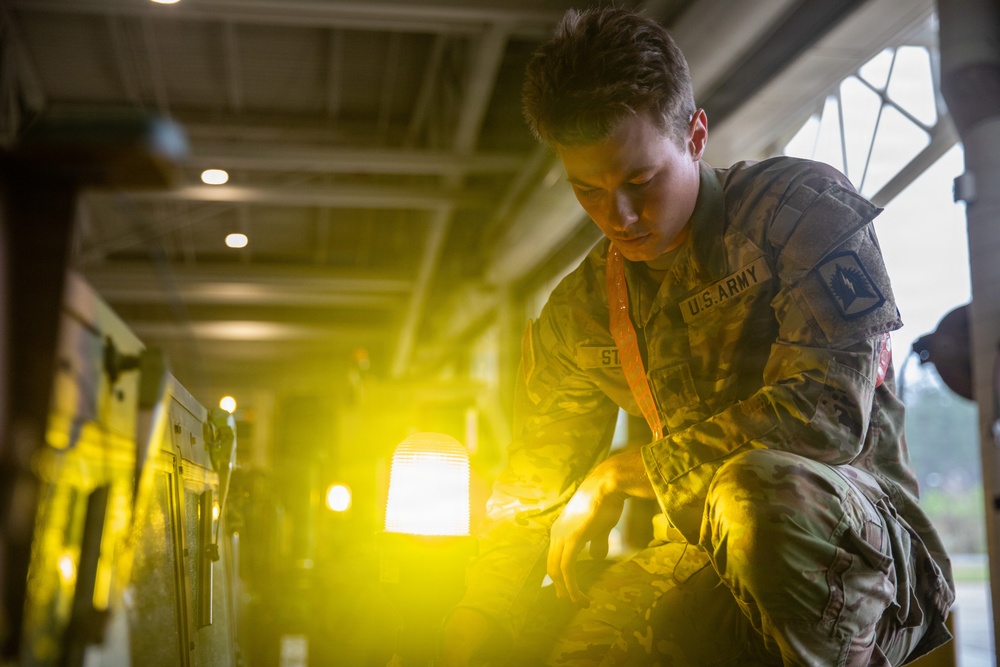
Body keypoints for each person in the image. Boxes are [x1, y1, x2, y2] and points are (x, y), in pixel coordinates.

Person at [442, 6, 955, 666]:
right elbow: (532, 485)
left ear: (695, 135)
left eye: (639, 181)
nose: (617, 216)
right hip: (693, 551)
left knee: (753, 498)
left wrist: (630, 472)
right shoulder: (584, 309)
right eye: (586, 190)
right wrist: (479, 612)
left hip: (860, 548)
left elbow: (826, 414)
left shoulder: (799, 210)